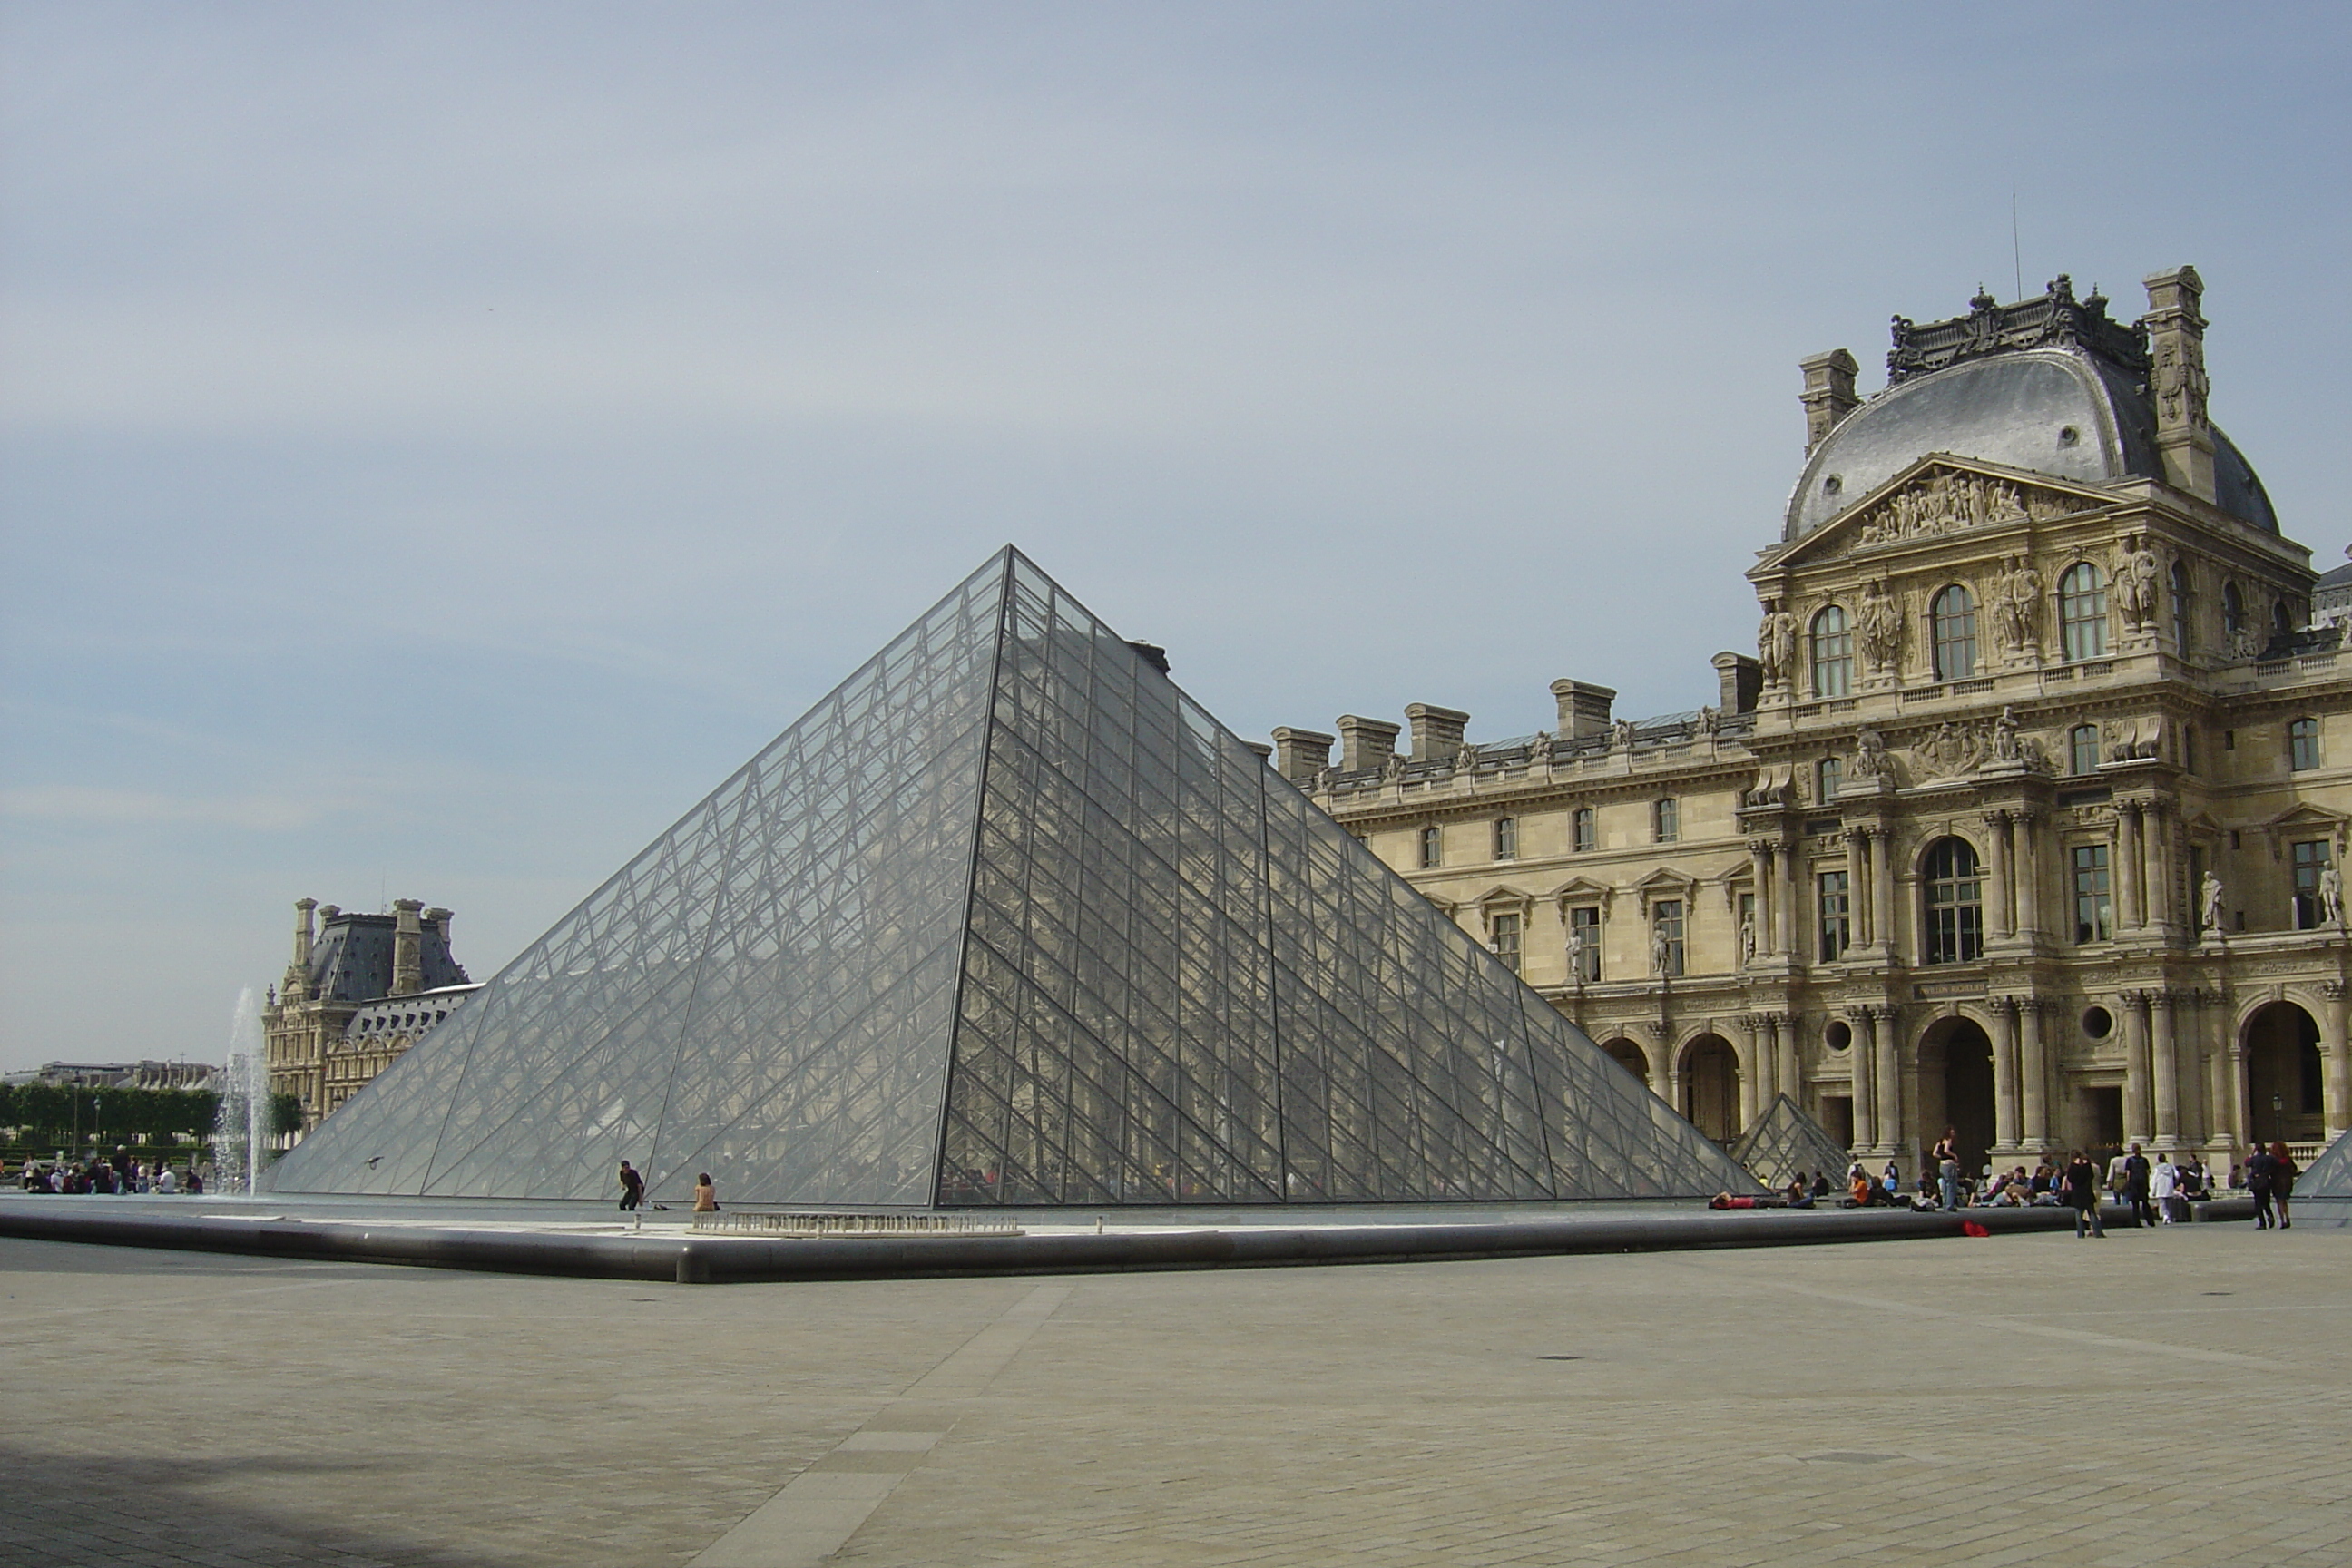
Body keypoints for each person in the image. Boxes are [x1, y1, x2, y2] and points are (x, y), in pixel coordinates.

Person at [2063, 1150, 2104, 1238]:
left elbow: (2070, 1178)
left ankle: (2080, 1233)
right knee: (2092, 1213)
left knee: (2078, 1214)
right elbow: (2091, 1176)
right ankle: (2097, 1232)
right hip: (2087, 1191)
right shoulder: (2087, 1165)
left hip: (2077, 1192)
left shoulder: (2073, 1166)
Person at [2121, 1143, 2154, 1228]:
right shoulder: (2144, 1160)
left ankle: (2136, 1222)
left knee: (2135, 1204)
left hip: (2134, 1184)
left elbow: (2128, 1173)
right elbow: (2148, 1172)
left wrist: (2128, 1183)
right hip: (2143, 1183)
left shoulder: (2130, 1160)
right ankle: (2150, 1221)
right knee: (2145, 1203)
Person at [2245, 1142, 2278, 1230]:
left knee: (2258, 1204)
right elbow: (2276, 1163)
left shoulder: (2254, 1159)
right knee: (2266, 1202)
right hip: (2266, 1181)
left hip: (2256, 1182)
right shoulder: (2269, 1158)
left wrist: (2251, 1154)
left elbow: (2246, 1163)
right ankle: (2270, 1217)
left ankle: (2262, 1223)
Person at [2271, 1142, 2299, 1230]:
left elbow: (2270, 1170)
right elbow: (2294, 1169)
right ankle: (2287, 1217)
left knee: (2279, 1201)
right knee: (2284, 1201)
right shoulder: (2288, 1159)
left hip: (2277, 1182)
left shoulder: (2273, 1160)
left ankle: (2282, 1220)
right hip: (2287, 1182)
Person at [2151, 1154, 2182, 1224]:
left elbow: (2154, 1179)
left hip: (2160, 1187)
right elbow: (2177, 1175)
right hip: (2169, 1186)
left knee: (2162, 1203)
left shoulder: (2157, 1168)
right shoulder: (2171, 1166)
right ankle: (2168, 1216)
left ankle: (2164, 1216)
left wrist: (2153, 1190)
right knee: (2169, 1203)